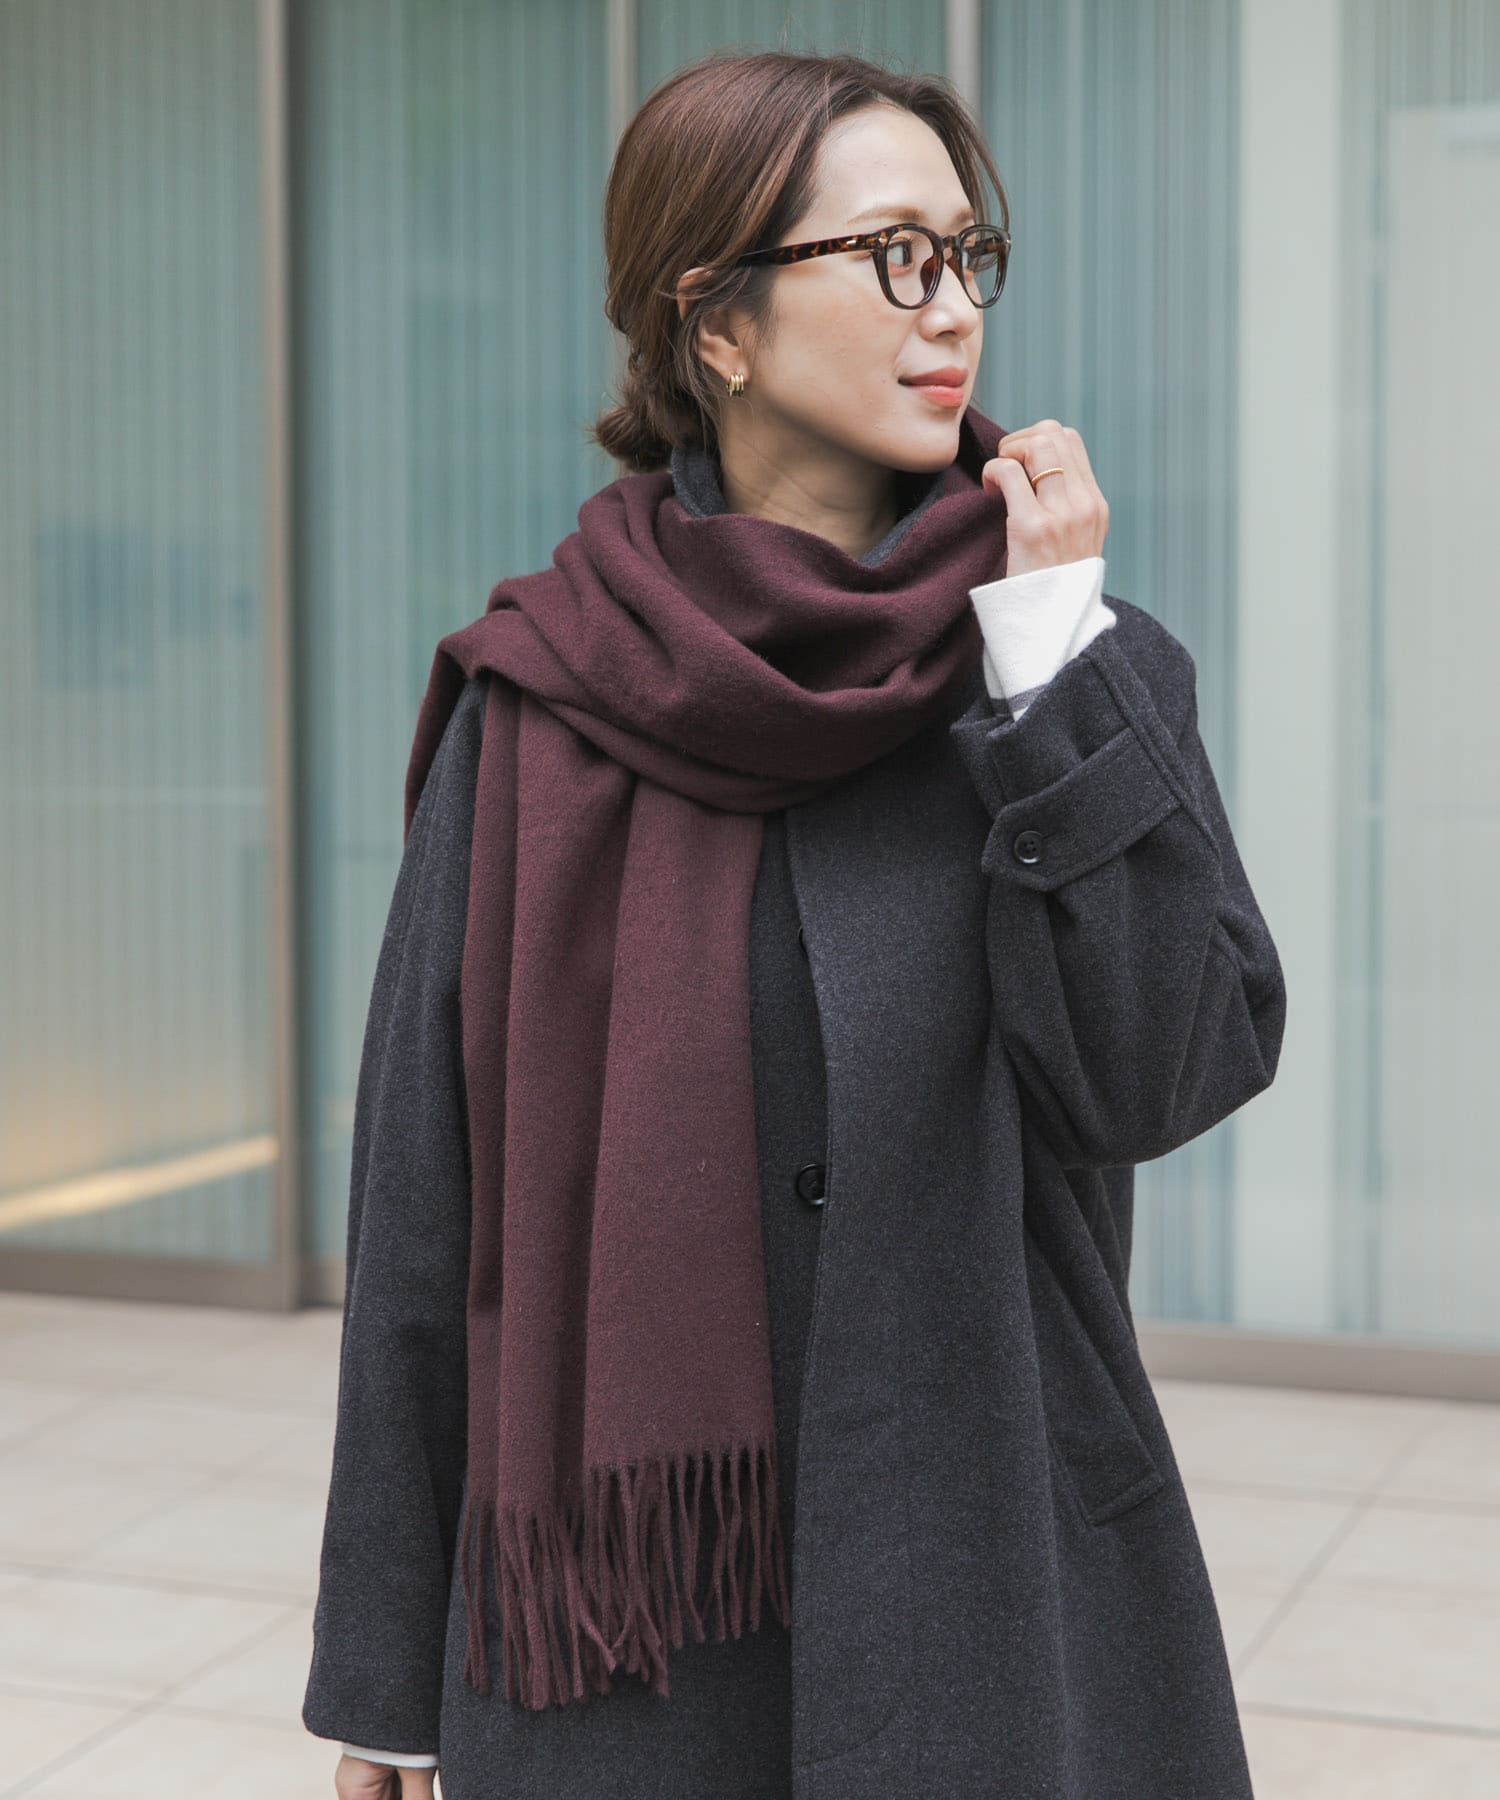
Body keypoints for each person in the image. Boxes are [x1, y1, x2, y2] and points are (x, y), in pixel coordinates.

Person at [303, 47, 1286, 1800]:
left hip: (999, 1586)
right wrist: (383, 1679)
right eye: (894, 255)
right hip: (628, 1645)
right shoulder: (537, 705)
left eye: (967, 253)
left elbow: (1165, 1074)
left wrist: (1050, 667)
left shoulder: (1068, 667)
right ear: (720, 322)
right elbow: (422, 1207)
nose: (952, 307)